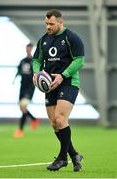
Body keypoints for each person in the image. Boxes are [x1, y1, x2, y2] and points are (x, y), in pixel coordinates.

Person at [32, 9, 85, 172]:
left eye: (51, 24)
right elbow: (36, 60)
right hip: (50, 85)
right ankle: (75, 154)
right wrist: (36, 73)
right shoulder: (43, 41)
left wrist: (63, 75)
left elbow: (80, 61)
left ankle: (63, 158)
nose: (48, 27)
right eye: (46, 24)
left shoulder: (72, 38)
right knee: (55, 124)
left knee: (60, 118)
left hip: (68, 82)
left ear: (60, 22)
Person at [13, 43, 39, 138]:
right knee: (21, 108)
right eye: (27, 48)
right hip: (22, 86)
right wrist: (14, 78)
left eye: (30, 48)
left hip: (30, 87)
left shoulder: (34, 61)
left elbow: (37, 73)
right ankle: (34, 119)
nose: (28, 50)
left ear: (32, 49)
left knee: (23, 107)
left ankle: (20, 130)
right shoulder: (23, 61)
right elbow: (19, 71)